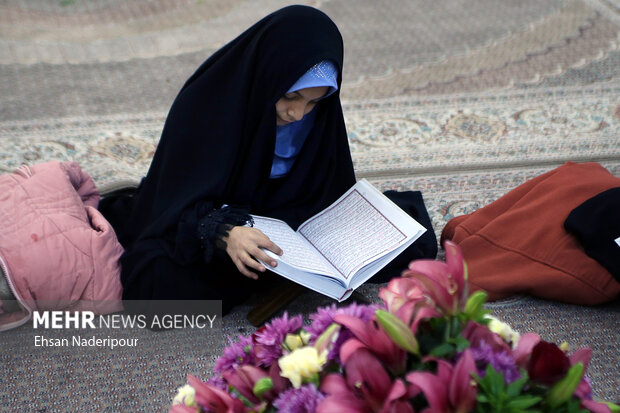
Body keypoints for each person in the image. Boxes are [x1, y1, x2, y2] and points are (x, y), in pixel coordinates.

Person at [100, 5, 437, 314]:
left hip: (289, 224)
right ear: (267, 76)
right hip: (224, 225)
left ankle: (291, 272)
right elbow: (178, 201)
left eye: (313, 102)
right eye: (290, 97)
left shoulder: (316, 118)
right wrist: (226, 233)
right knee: (159, 293)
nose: (297, 113)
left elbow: (327, 191)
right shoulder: (207, 106)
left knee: (413, 243)